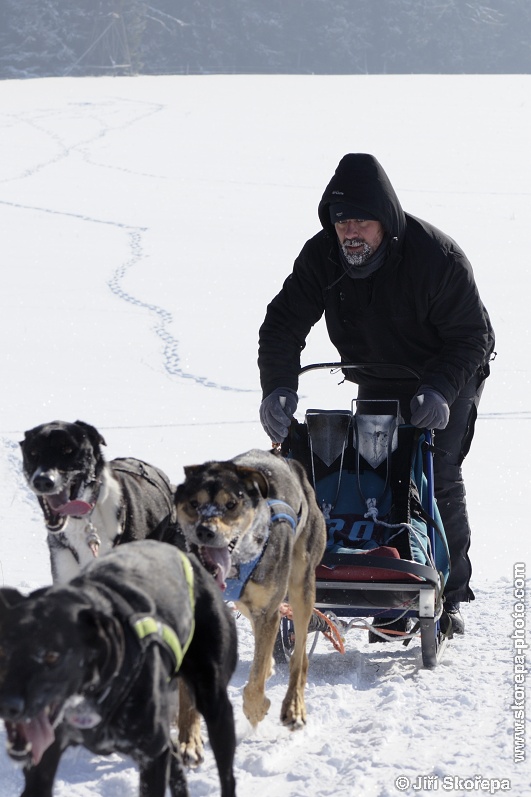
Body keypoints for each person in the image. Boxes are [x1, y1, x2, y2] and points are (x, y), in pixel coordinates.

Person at [258, 153, 495, 635]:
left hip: (445, 372)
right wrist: (278, 387)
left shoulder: (436, 258)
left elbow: (472, 336)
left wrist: (440, 390)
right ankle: (382, 584)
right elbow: (282, 324)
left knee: (432, 472)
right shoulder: (321, 255)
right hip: (378, 372)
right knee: (370, 474)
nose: (351, 232)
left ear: (385, 221)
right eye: (342, 221)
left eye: (362, 221)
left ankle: (444, 597)